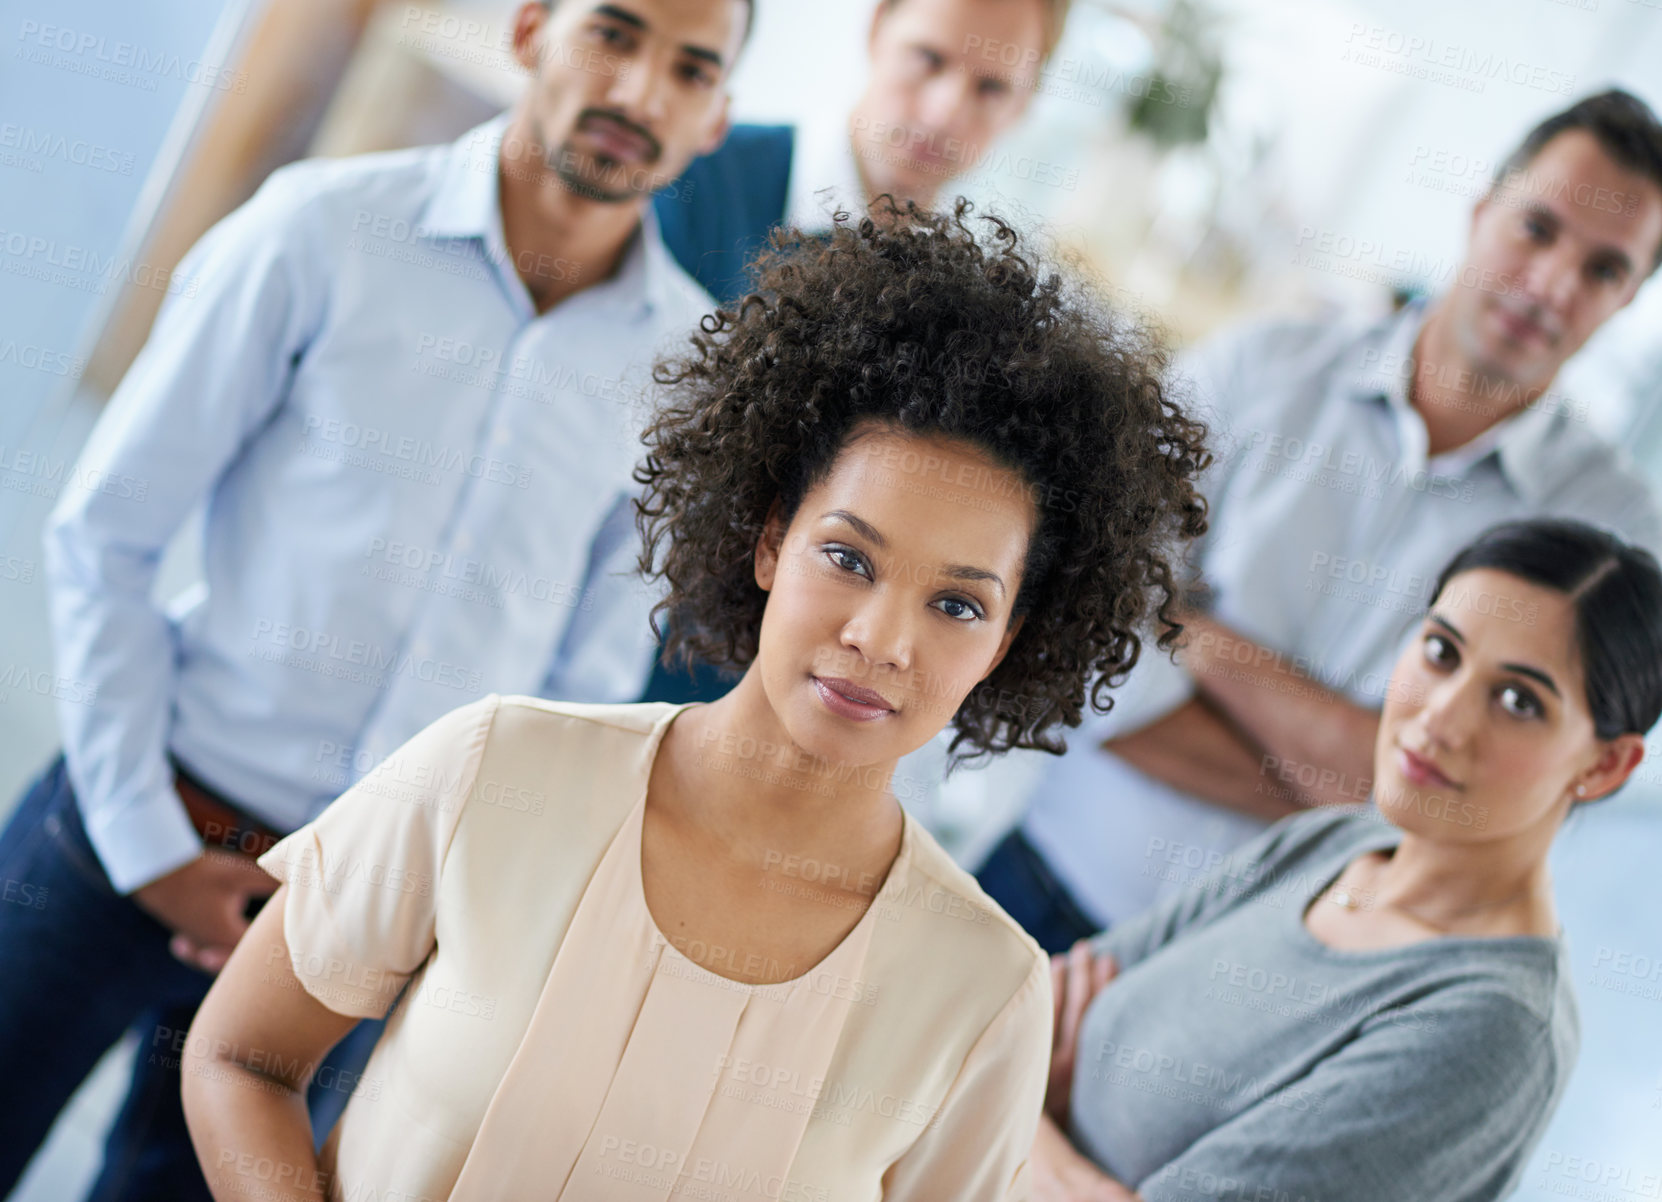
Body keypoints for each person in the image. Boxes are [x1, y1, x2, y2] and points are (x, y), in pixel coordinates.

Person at [178, 198, 1210, 1200]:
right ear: (769, 539)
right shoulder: (497, 767)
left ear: (1010, 643)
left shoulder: (984, 994)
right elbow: (245, 1055)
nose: (881, 639)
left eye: (956, 602)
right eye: (848, 556)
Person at [0, 1, 751, 1196]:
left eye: (692, 70)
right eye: (613, 36)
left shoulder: (686, 378)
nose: (643, 92)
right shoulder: (321, 232)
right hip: (123, 823)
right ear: (529, 36)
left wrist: (412, 913)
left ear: (716, 118)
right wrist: (147, 840)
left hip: (351, 931)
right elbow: (108, 534)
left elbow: (583, 691)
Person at [980, 88, 1662, 953]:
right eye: (1538, 228)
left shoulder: (1615, 539)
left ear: (1633, 296)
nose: (1555, 285)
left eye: (1605, 269)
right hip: (1033, 890)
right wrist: (1368, 791)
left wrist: (1194, 633)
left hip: (1269, 990)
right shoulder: (1257, 370)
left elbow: (1487, 822)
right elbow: (1073, 648)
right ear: (1482, 209)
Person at [1030, 517, 1662, 1202]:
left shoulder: (1492, 1029)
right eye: (1443, 652)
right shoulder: (1332, 844)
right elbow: (1015, 1027)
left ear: (1605, 766)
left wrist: (1023, 1118)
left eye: (1518, 701)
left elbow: (1002, 1072)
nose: (1439, 719)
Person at [653, 0, 1069, 308]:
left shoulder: (980, 297)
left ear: (1025, 104)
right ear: (876, 28)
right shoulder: (690, 176)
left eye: (991, 88)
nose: (944, 114)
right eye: (928, 58)